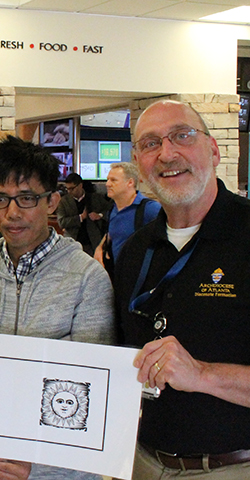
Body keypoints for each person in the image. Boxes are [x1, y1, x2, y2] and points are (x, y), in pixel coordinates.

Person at [0, 135, 114, 480]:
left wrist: (39, 463)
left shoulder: (87, 279)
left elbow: (91, 395)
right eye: (0, 199)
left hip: (60, 472)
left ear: (52, 201)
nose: (12, 213)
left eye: (26, 198)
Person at [115, 99, 250, 479]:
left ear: (213, 149)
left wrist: (203, 374)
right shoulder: (136, 251)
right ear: (139, 164)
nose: (167, 154)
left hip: (232, 466)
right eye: (150, 144)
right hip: (142, 462)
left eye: (182, 136)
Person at [93, 162, 160, 275]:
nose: (108, 184)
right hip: (117, 275)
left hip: (142, 277)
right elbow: (112, 233)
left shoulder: (149, 209)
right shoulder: (112, 210)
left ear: (130, 182)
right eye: (108, 179)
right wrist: (100, 248)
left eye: (113, 180)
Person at [56, 173, 110, 254]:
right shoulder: (63, 201)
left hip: (92, 242)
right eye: (67, 189)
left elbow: (110, 210)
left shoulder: (95, 198)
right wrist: (80, 217)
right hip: (72, 243)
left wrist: (100, 215)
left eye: (72, 188)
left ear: (80, 186)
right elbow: (61, 222)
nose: (69, 191)